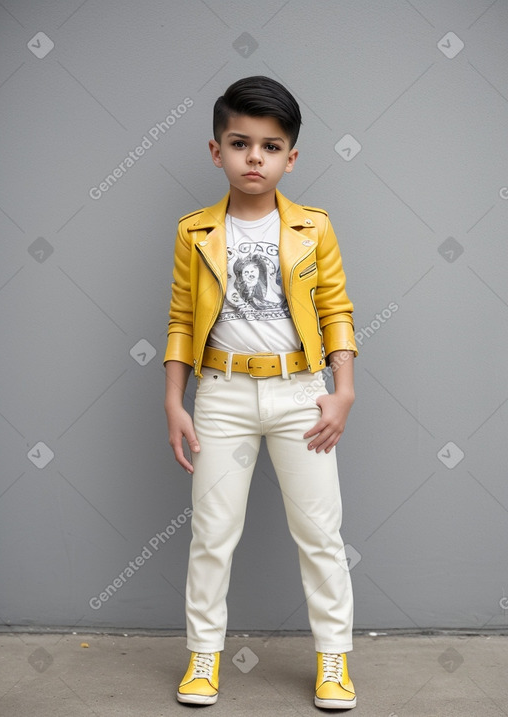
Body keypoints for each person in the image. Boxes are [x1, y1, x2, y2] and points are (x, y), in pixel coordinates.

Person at [163, 75, 358, 710]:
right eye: (240, 143)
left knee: (320, 531)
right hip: (220, 393)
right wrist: (175, 400)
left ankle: (333, 661)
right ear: (216, 150)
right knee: (212, 532)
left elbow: (336, 311)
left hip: (302, 391)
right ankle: (202, 657)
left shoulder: (314, 228)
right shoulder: (195, 232)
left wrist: (342, 390)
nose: (255, 157)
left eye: (270, 146)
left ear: (290, 157)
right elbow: (182, 321)